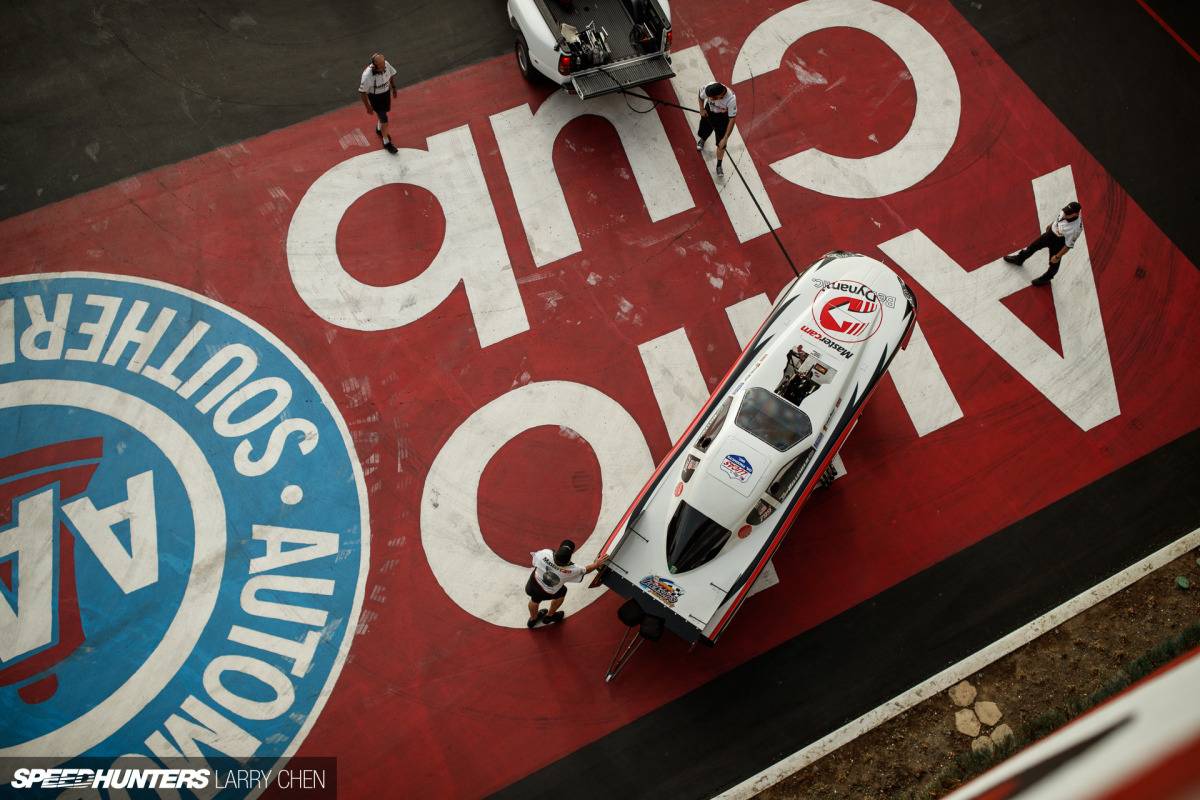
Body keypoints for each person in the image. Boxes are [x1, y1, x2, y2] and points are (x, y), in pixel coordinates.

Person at [525, 540, 608, 628]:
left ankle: (533, 620)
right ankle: (549, 616)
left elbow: (535, 558)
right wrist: (596, 565)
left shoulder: (545, 554)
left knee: (534, 599)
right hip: (549, 592)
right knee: (562, 591)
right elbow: (586, 570)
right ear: (569, 560)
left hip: (533, 585)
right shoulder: (573, 570)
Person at [1003, 202, 1083, 285]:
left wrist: (1057, 256)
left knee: (1054, 263)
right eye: (1065, 211)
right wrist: (1052, 224)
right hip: (1049, 234)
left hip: (1058, 242)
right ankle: (1019, 259)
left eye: (1068, 214)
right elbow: (1060, 218)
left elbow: (1068, 246)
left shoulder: (1075, 229)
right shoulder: (1066, 212)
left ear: (1075, 214)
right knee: (1032, 246)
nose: (1065, 214)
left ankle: (1047, 277)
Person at [696, 82, 737, 177]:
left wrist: (725, 138)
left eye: (711, 97)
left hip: (722, 118)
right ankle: (703, 139)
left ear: (719, 96)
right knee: (704, 130)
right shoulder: (710, 88)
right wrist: (701, 108)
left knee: (721, 144)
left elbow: (732, 119)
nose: (709, 98)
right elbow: (701, 94)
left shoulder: (731, 99)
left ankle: (719, 165)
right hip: (709, 112)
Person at [359, 54, 399, 154]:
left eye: (384, 64)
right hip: (376, 98)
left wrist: (394, 88)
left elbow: (391, 74)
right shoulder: (367, 76)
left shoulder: (386, 65)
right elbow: (362, 92)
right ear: (374, 66)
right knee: (384, 120)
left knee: (384, 112)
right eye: (381, 66)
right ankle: (386, 142)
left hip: (385, 94)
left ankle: (378, 128)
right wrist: (367, 107)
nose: (384, 68)